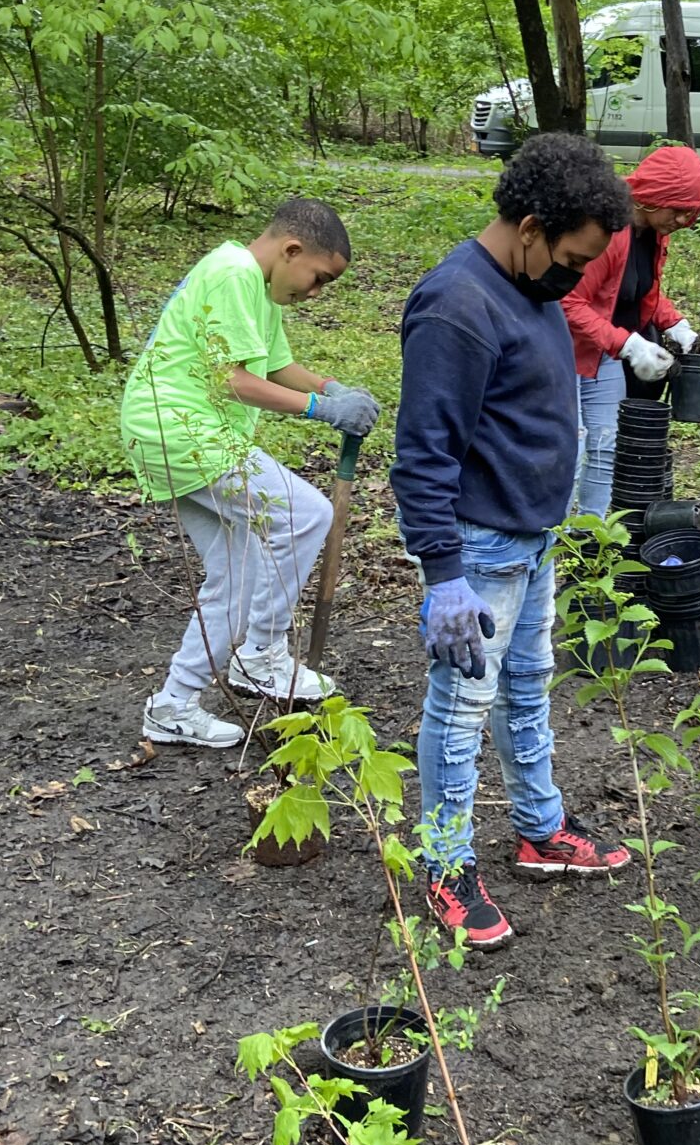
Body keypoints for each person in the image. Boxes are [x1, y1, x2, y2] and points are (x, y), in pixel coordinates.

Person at [391, 132, 633, 952]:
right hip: (479, 549)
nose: (576, 276)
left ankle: (539, 827)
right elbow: (423, 451)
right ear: (530, 227)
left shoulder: (529, 289)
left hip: (533, 541)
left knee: (528, 687)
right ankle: (444, 863)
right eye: (571, 257)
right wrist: (442, 575)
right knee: (460, 709)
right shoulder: (456, 305)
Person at [120, 198, 380, 748]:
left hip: (173, 434)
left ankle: (172, 705)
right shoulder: (234, 272)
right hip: (183, 430)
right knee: (305, 514)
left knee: (235, 573)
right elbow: (233, 379)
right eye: (319, 279)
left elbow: (275, 365)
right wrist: (320, 411)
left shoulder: (256, 286)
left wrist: (332, 389)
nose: (314, 293)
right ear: (292, 249)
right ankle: (261, 654)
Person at [565, 144, 700, 516]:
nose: (681, 221)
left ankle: (590, 539)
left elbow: (637, 291)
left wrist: (674, 323)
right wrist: (628, 345)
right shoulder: (606, 231)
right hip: (564, 353)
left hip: (605, 352)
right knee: (571, 447)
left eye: (688, 214)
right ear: (653, 197)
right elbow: (567, 304)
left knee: (607, 444)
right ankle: (551, 536)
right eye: (678, 210)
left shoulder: (654, 233)